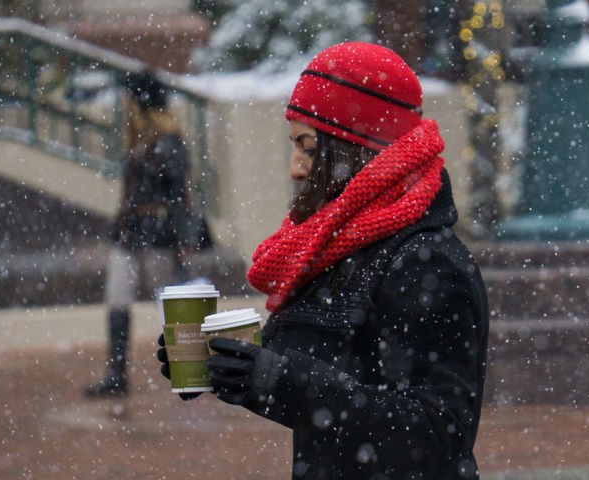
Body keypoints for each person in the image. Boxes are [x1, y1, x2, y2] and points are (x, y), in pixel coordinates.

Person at [157, 42, 489, 478]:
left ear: (358, 150)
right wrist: (228, 365)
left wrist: (279, 381)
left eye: (310, 147)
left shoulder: (426, 263)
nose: (296, 167)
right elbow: (315, 369)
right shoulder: (343, 249)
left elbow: (438, 435)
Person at [85, 69, 212, 397]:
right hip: (130, 233)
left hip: (158, 234)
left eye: (128, 98)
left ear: (140, 103)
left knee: (173, 303)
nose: (123, 104)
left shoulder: (167, 142)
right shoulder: (138, 142)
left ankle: (193, 371)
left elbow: (180, 195)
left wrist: (186, 239)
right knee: (117, 299)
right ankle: (116, 374)